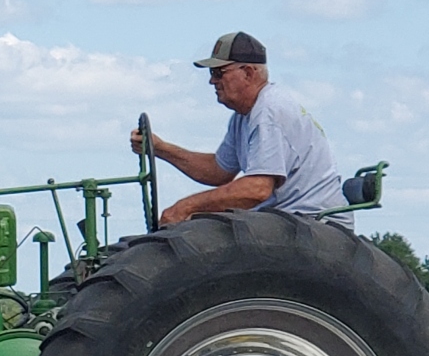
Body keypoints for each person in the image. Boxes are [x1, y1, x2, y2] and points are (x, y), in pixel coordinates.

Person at [131, 31, 352, 229]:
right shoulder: (244, 115)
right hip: (291, 222)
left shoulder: (269, 112)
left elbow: (257, 189)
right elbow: (218, 171)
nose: (212, 81)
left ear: (248, 73)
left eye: (219, 72)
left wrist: (184, 208)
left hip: (314, 225)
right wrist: (160, 148)